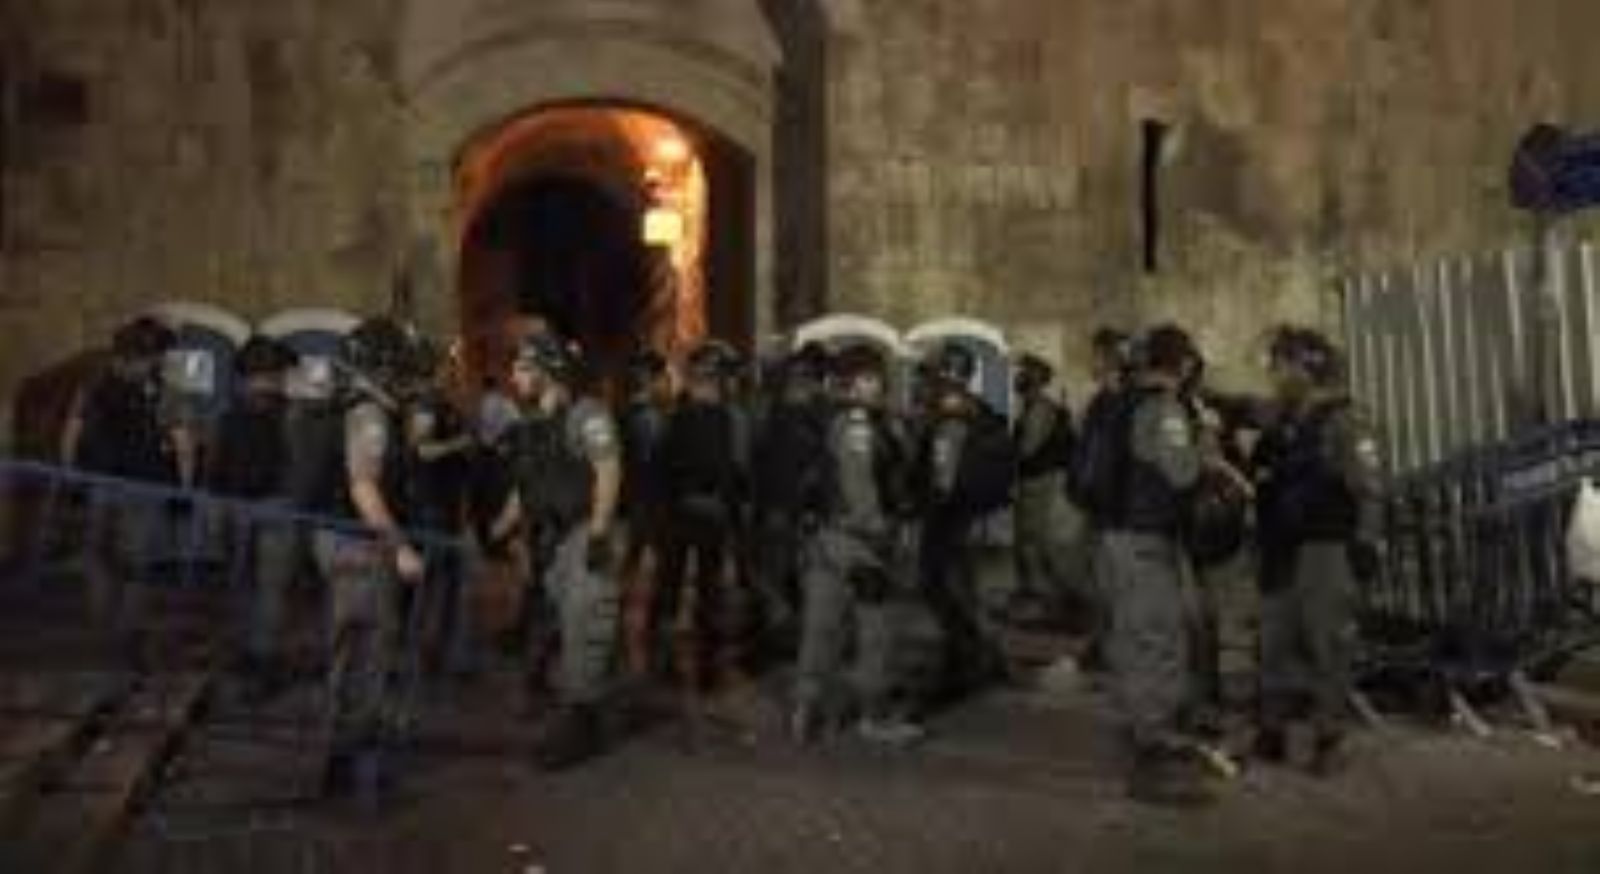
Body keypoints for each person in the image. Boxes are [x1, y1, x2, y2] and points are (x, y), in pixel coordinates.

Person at [1087, 324, 1218, 806]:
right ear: (1182, 364)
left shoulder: (1117, 401)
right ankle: (1153, 754)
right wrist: (1207, 440)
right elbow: (1182, 473)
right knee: (1158, 639)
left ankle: (1140, 730)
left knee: (1130, 636)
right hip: (1143, 540)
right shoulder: (1163, 408)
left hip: (1115, 537)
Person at [486, 333, 624, 769]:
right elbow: (525, 486)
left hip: (585, 531)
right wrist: (500, 527)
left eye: (523, 368)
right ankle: (583, 702)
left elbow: (608, 468)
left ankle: (581, 724)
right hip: (555, 538)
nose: (515, 376)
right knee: (560, 622)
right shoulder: (533, 423)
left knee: (586, 621)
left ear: (548, 371)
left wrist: (599, 534)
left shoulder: (587, 413)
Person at [1253, 327, 1384, 776]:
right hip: (1283, 548)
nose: (1274, 375)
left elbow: (1368, 487)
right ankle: (1272, 730)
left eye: (1282, 365)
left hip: (1326, 549)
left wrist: (1366, 542)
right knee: (1275, 641)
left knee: (1329, 645)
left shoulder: (1345, 421)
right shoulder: (1287, 420)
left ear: (1307, 369)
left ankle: (1329, 737)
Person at [309, 316, 429, 799]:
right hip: (360, 546)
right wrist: (401, 548)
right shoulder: (369, 416)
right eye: (403, 371)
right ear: (383, 369)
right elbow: (363, 487)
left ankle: (341, 758)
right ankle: (356, 764)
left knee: (350, 650)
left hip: (342, 541)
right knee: (367, 654)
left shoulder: (350, 407)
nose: (410, 382)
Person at [791, 343, 923, 744]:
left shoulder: (831, 417)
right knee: (876, 630)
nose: (879, 384)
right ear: (855, 381)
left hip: (825, 539)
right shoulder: (858, 425)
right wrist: (880, 535)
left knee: (821, 627)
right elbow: (860, 484)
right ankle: (873, 715)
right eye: (872, 377)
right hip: (859, 543)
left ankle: (807, 708)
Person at [61, 316, 190, 660]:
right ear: (153, 355)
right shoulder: (164, 391)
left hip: (99, 482)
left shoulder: (94, 386)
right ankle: (126, 632)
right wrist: (184, 488)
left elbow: (72, 430)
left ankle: (101, 626)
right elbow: (182, 443)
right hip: (145, 487)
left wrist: (70, 475)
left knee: (98, 557)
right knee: (136, 565)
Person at [913, 342, 1014, 704]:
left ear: (948, 370)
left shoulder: (952, 410)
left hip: (952, 515)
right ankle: (978, 658)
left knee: (947, 589)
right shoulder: (974, 408)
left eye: (936, 370)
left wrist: (935, 504)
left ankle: (965, 664)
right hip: (967, 513)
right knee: (960, 589)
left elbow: (945, 467)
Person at [655, 340, 751, 704]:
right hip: (701, 514)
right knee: (702, 591)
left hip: (685, 514)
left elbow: (661, 469)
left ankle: (676, 663)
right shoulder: (725, 419)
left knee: (678, 588)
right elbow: (736, 471)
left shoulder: (678, 417)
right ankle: (701, 667)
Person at [207, 334, 299, 698]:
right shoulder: (288, 413)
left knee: (248, 586)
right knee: (266, 589)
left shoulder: (230, 413)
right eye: (278, 374)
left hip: (244, 507)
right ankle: (260, 657)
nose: (282, 380)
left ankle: (251, 654)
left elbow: (216, 466)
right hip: (271, 507)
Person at [750, 343, 833, 654]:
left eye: (804, 376)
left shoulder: (792, 412)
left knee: (782, 572)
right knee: (784, 572)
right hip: (785, 506)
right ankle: (788, 630)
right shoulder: (802, 411)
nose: (800, 383)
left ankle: (787, 630)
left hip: (786, 507)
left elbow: (816, 464)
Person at [405, 350, 477, 679]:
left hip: (448, 508)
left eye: (455, 369)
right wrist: (459, 444)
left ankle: (439, 653)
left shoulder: (448, 406)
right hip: (429, 508)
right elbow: (422, 450)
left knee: (447, 585)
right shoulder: (425, 407)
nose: (454, 375)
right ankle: (420, 655)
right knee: (430, 585)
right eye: (449, 369)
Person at [1009, 353, 1081, 628]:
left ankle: (1046, 602)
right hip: (1034, 481)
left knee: (1034, 543)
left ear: (1037, 377)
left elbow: (1028, 449)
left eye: (1024, 371)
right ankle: (1041, 599)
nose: (1019, 376)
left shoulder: (1040, 408)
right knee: (1029, 542)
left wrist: (1005, 457)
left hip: (1041, 483)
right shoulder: (1031, 406)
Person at [617, 349, 675, 677]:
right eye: (663, 377)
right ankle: (655, 636)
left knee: (631, 563)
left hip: (636, 501)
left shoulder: (625, 411)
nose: (666, 383)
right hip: (654, 503)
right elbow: (655, 458)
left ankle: (618, 626)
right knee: (661, 570)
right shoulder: (651, 416)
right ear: (652, 378)